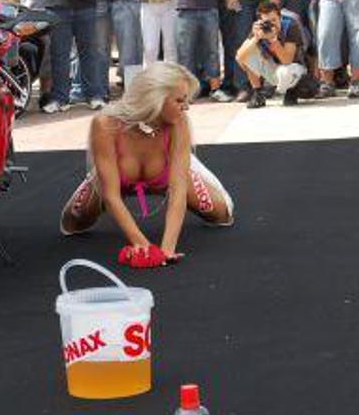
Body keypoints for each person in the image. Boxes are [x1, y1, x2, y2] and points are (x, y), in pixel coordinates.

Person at [59, 62, 234, 266]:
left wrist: (167, 250)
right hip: (114, 175)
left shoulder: (179, 122)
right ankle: (98, 177)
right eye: (180, 100)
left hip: (169, 170)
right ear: (155, 100)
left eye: (187, 100)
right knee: (73, 222)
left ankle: (187, 164)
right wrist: (142, 244)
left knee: (221, 214)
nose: (186, 107)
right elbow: (111, 196)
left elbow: (178, 191)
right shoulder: (106, 124)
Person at [234, 1, 306, 108]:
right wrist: (256, 38)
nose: (271, 24)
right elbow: (239, 57)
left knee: (284, 72)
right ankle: (258, 93)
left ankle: (291, 91)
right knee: (247, 54)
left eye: (274, 20)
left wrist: (273, 40)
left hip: (293, 69)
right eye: (267, 22)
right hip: (274, 70)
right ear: (260, 21)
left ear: (280, 17)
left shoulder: (290, 26)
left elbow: (287, 60)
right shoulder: (259, 29)